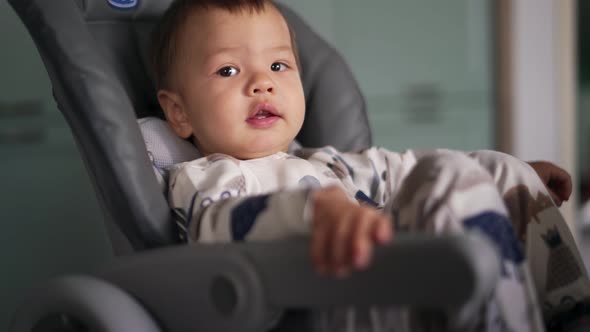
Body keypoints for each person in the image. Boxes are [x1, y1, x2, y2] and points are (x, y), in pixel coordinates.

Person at [151, 0, 590, 330]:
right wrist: (315, 210)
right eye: (228, 71)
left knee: (497, 169)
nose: (262, 82)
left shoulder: (328, 163)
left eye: (279, 65)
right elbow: (219, 225)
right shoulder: (204, 177)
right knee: (449, 178)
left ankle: (569, 313)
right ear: (180, 114)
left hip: (399, 280)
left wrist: (515, 173)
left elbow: (405, 169)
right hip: (339, 306)